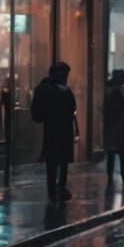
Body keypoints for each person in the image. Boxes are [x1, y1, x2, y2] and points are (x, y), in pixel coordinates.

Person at [31, 61, 78, 201]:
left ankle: (53, 192)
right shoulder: (64, 91)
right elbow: (72, 108)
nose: (66, 78)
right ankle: (59, 189)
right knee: (61, 162)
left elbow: (37, 114)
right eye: (65, 75)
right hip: (62, 131)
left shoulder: (44, 89)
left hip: (52, 131)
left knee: (52, 163)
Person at [103, 69, 124, 188]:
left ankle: (119, 177)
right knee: (118, 153)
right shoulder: (116, 92)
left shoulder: (119, 91)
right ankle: (119, 177)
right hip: (117, 128)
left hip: (120, 127)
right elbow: (115, 111)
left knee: (117, 154)